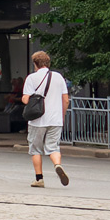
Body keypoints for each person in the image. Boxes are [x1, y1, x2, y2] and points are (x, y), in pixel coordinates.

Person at [22, 51, 71, 187]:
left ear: (35, 64)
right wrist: (62, 115)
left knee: (35, 149)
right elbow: (65, 100)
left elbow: (26, 99)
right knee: (53, 147)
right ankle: (57, 165)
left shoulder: (31, 78)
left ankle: (39, 179)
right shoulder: (59, 77)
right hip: (56, 119)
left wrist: (28, 98)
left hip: (37, 120)